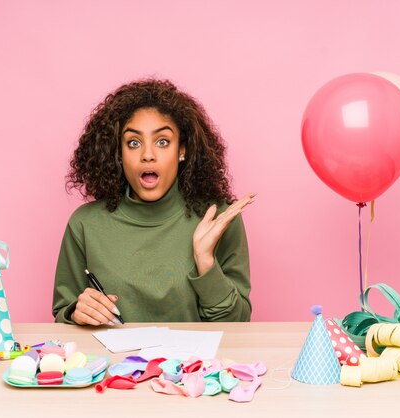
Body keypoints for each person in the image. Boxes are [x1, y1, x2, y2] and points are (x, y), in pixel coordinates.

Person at [53, 78, 255, 326]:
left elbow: (238, 324)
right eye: (133, 143)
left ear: (182, 150)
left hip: (194, 365)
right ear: (118, 153)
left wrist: (206, 262)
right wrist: (76, 312)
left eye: (162, 141)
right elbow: (63, 314)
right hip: (115, 364)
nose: (148, 155)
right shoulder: (85, 224)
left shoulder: (217, 219)